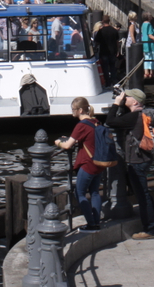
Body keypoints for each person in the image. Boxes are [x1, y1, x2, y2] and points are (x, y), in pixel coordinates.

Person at [105, 89, 154, 239]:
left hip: (137, 160)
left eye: (126, 97)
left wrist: (116, 103)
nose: (123, 98)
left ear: (135, 101)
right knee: (142, 190)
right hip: (146, 157)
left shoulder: (134, 117)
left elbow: (111, 121)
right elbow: (122, 118)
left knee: (142, 194)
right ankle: (153, 212)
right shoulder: (146, 114)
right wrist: (122, 103)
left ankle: (150, 230)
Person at [55, 97, 103, 233]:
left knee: (79, 193)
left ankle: (91, 224)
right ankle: (97, 222)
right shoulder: (96, 122)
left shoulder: (81, 125)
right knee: (94, 192)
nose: (72, 112)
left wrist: (57, 142)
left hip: (87, 164)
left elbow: (67, 145)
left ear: (80, 110)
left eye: (74, 109)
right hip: (99, 163)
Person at [96, 16, 120, 86]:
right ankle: (113, 81)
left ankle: (107, 82)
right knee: (113, 67)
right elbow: (117, 42)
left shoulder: (101, 31)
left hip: (103, 52)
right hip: (113, 52)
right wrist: (117, 50)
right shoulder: (114, 31)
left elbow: (97, 42)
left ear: (103, 21)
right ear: (109, 21)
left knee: (105, 68)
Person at [140, 12, 154, 79]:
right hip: (150, 44)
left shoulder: (143, 24)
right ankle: (152, 72)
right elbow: (150, 35)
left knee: (147, 57)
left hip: (144, 43)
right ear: (148, 17)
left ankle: (146, 72)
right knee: (153, 57)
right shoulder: (149, 25)